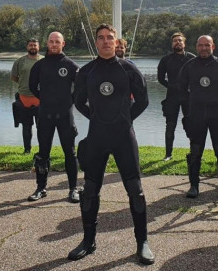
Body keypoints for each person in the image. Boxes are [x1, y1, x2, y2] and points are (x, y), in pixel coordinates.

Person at [69, 24, 154, 265]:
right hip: (97, 137)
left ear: (117, 42)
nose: (106, 42)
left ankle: (142, 243)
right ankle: (88, 241)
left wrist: (124, 120)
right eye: (101, 38)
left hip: (124, 137)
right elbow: (78, 102)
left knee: (136, 192)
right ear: (96, 43)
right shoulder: (86, 71)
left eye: (110, 38)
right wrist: (97, 119)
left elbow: (144, 101)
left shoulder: (129, 69)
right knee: (90, 192)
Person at [177, 35, 218, 200]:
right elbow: (181, 90)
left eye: (207, 45)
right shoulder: (189, 66)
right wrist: (190, 106)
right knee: (195, 151)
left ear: (213, 46)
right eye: (200, 45)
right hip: (196, 115)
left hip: (217, 115)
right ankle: (193, 186)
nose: (203, 48)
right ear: (196, 47)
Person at [27, 32, 79, 203]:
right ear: (47, 44)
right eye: (51, 41)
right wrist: (46, 98)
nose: (54, 44)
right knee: (43, 153)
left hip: (65, 115)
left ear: (63, 43)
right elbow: (32, 86)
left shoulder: (71, 65)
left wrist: (68, 100)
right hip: (45, 115)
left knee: (70, 153)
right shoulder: (40, 65)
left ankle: (73, 188)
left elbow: (80, 89)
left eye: (58, 41)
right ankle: (41, 188)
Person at [157, 32, 195, 161]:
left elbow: (198, 76)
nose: (177, 42)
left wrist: (190, 88)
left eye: (180, 40)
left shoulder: (192, 58)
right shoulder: (166, 59)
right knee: (170, 125)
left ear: (184, 43)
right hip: (172, 97)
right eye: (175, 41)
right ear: (172, 44)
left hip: (188, 96)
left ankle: (193, 152)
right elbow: (160, 78)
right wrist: (171, 86)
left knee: (191, 124)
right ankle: (168, 154)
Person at [11, 39, 42, 153]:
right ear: (27, 47)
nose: (33, 47)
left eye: (35, 45)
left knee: (42, 127)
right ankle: (27, 150)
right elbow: (14, 77)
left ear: (38, 47)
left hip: (40, 98)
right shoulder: (19, 61)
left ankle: (43, 150)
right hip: (24, 98)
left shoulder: (44, 60)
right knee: (26, 127)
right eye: (30, 45)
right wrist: (24, 83)